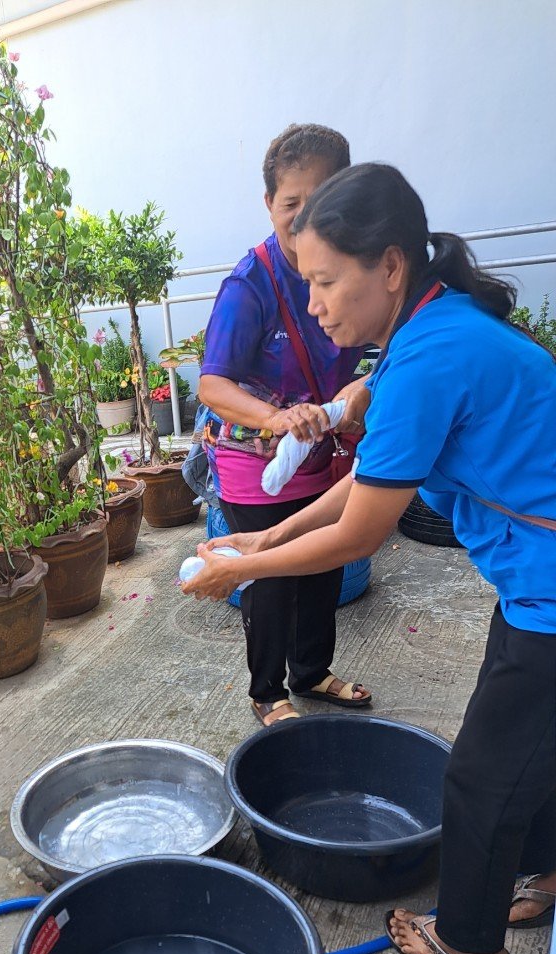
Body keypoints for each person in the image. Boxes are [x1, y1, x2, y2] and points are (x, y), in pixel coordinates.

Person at [182, 161, 556, 954]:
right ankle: (547, 870)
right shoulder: (426, 329)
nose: (314, 305)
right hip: (535, 582)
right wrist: (262, 542)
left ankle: (468, 938)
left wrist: (244, 570)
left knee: (481, 779)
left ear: (388, 266)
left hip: (549, 587)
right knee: (536, 742)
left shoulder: (428, 355)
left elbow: (359, 533)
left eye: (325, 281)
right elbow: (367, 480)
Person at [198, 123, 372, 728]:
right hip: (257, 467)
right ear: (269, 204)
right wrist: (277, 419)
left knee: (324, 567)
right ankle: (267, 691)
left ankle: (312, 672)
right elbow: (211, 384)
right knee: (267, 580)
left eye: (319, 200)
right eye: (289, 204)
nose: (303, 220)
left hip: (324, 457)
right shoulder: (251, 284)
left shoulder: (357, 270)